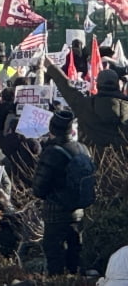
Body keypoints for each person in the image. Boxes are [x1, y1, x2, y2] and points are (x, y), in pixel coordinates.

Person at [32, 109, 93, 275]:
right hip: (78, 211)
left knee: (54, 256)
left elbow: (39, 188)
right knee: (75, 253)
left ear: (52, 129)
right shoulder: (82, 149)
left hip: (56, 213)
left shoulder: (52, 153)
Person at [44, 59, 128, 150]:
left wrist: (51, 67)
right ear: (118, 85)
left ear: (98, 85)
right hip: (122, 161)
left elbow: (66, 87)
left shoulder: (84, 105)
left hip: (91, 160)